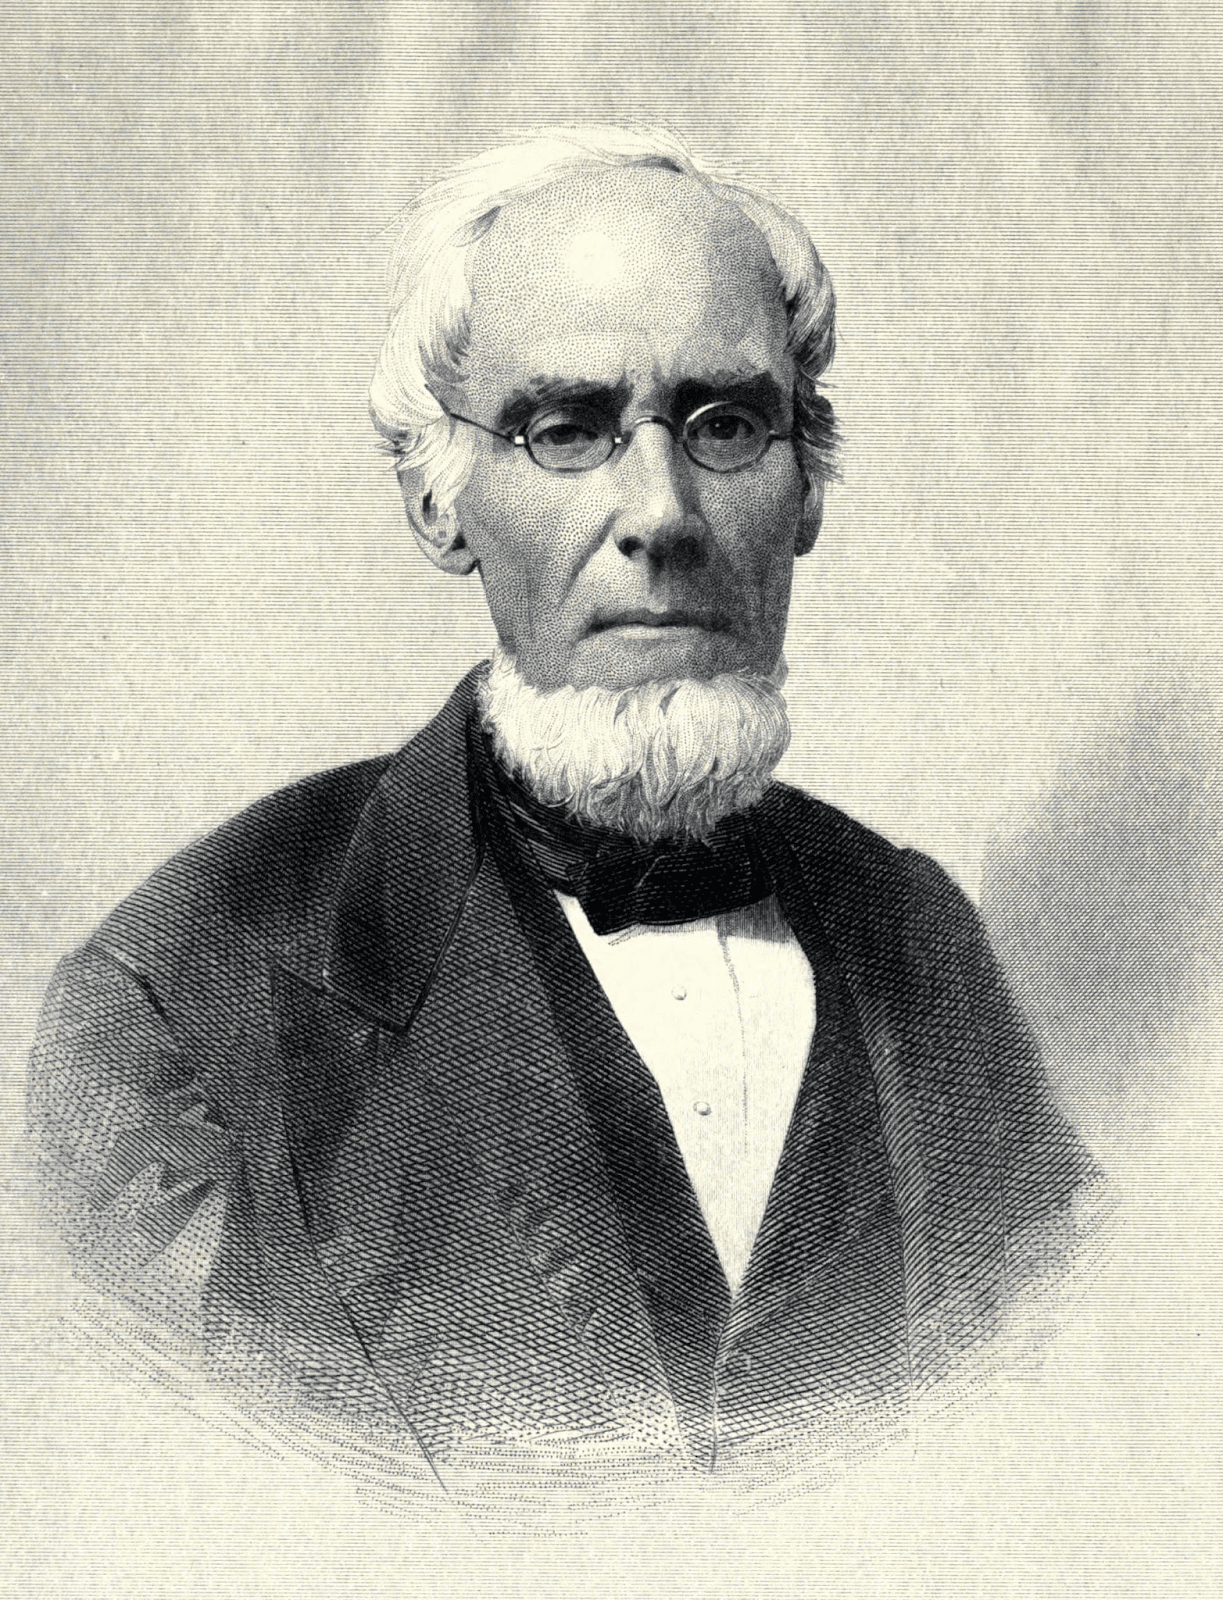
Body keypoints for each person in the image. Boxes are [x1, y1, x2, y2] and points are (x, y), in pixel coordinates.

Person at [28, 125, 1096, 1486]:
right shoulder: (171, 1004)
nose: (662, 511)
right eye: (569, 430)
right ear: (440, 501)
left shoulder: (920, 934)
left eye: (725, 425)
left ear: (808, 489)